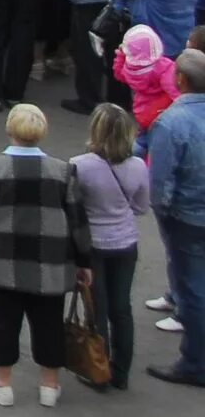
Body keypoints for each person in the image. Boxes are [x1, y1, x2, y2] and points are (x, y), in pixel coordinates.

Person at [0, 103, 97, 407]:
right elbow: (77, 222)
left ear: (10, 129)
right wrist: (84, 262)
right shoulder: (63, 172)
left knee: (2, 322)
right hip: (51, 266)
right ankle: (50, 385)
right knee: (48, 322)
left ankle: (2, 383)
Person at [75, 102, 152, 390]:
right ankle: (121, 372)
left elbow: (73, 206)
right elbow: (142, 206)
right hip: (125, 243)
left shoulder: (80, 166)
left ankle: (99, 369)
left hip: (93, 244)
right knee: (122, 308)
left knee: (97, 308)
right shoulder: (136, 166)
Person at [149, 50, 205, 388]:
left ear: (181, 81)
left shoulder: (171, 122)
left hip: (187, 217)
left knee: (191, 288)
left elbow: (161, 180)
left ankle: (195, 363)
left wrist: (162, 210)